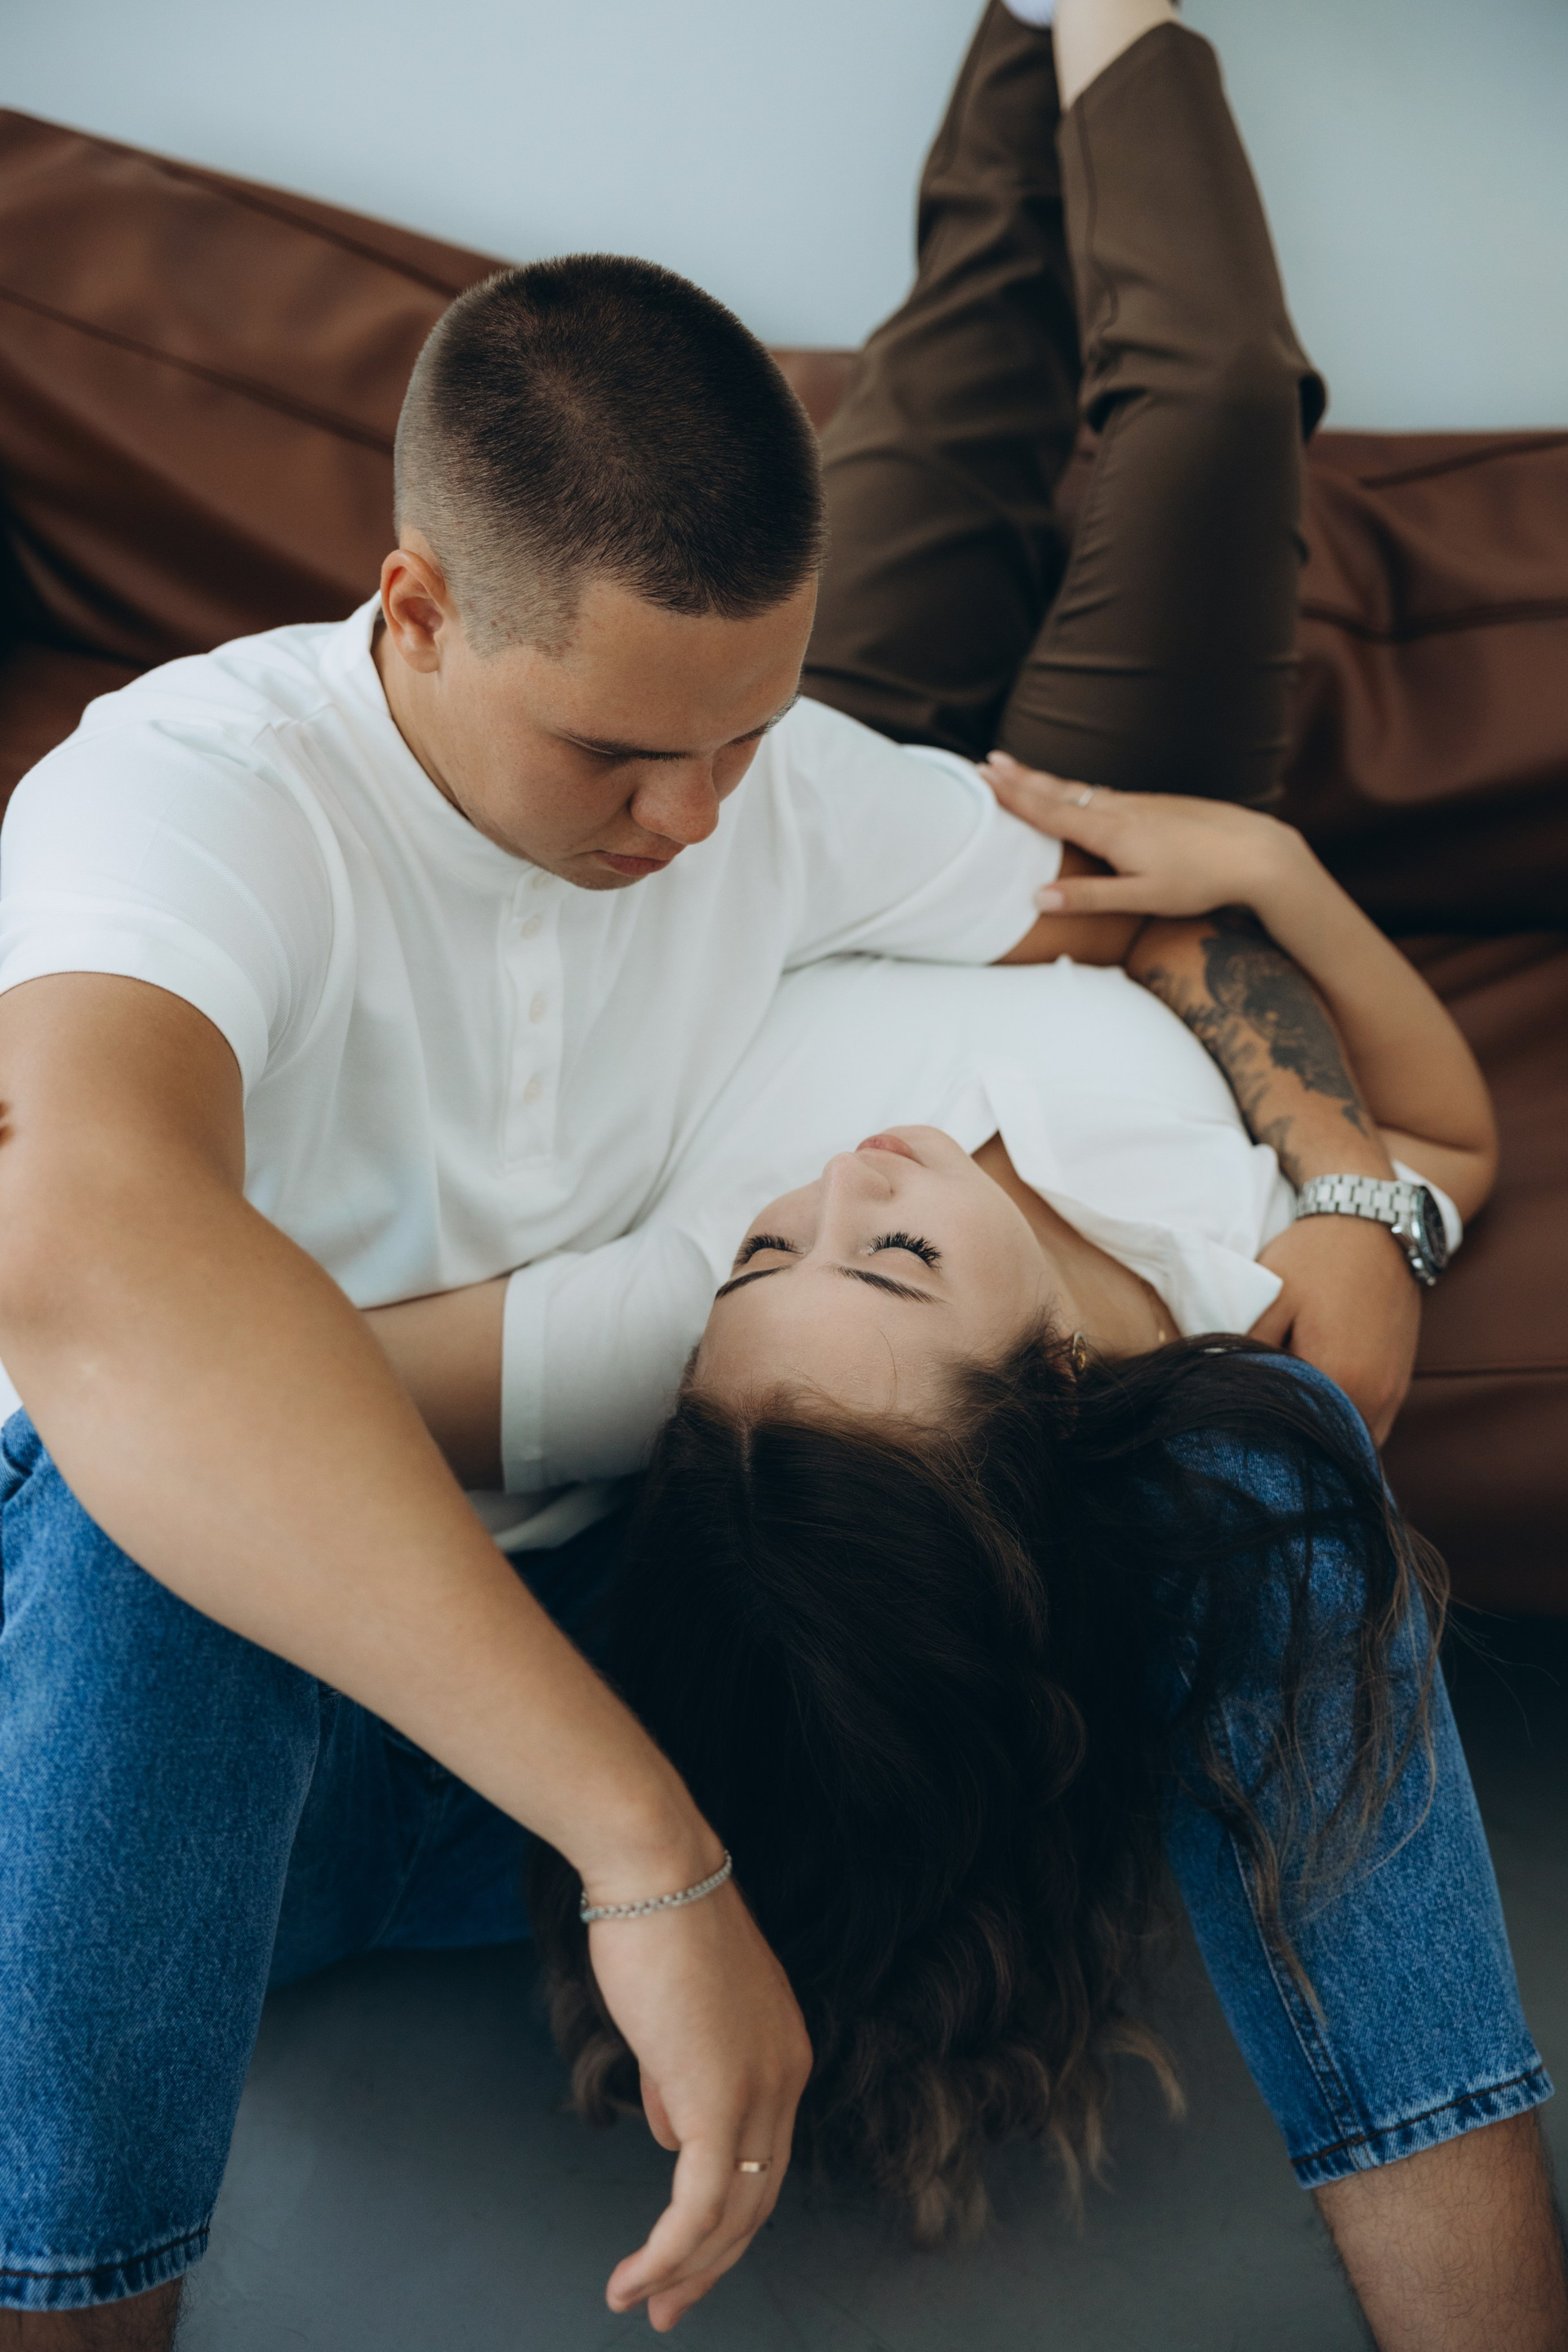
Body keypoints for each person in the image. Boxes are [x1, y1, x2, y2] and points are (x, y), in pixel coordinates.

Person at [0, 8, 1548, 2352]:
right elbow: (87, 1268)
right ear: (414, 609)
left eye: (746, 737)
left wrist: (1340, 1184)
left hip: (659, 1608)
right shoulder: (188, 800)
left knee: (1268, 1468)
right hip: (269, 1715)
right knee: (153, 1517)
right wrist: (645, 1851)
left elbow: (1122, 906)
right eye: (623, 755)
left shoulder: (762, 788)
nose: (697, 822)